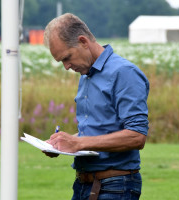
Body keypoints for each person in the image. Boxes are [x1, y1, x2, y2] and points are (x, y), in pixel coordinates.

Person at [43, 13, 149, 200]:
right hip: (85, 184)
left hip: (115, 185)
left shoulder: (124, 72)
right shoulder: (86, 75)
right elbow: (97, 131)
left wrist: (78, 143)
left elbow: (136, 136)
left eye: (67, 57)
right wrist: (62, 143)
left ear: (83, 41)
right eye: (61, 61)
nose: (66, 67)